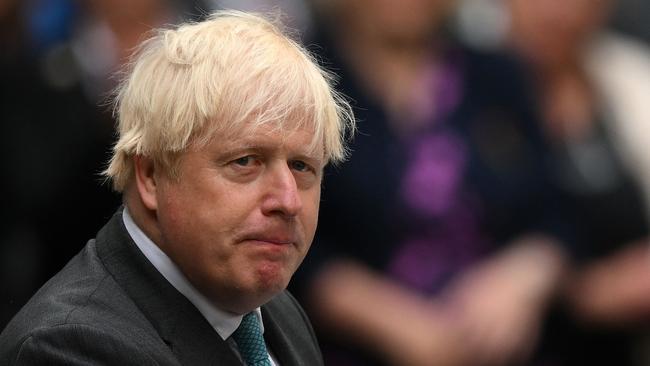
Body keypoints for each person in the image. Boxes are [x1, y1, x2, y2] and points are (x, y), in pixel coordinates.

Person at [0, 10, 354, 365]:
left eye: (302, 166)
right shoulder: (65, 347)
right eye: (245, 161)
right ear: (151, 175)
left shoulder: (278, 314)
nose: (288, 201)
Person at [292, 0, 568, 365]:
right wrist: (392, 322)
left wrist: (521, 278)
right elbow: (283, 227)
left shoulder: (498, 75)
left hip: (504, 347)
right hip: (351, 347)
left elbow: (559, 210)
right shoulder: (303, 78)